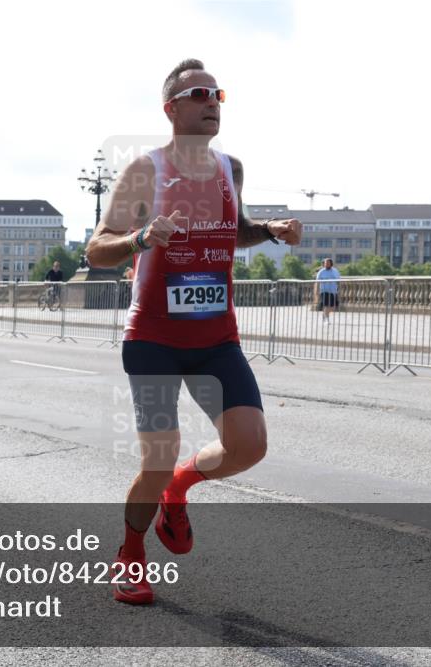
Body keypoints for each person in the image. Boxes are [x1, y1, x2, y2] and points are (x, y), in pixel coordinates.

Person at [85, 58, 302, 604]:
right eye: (198, 93)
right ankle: (130, 554)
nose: (211, 101)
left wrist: (268, 231)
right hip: (153, 338)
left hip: (215, 339)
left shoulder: (232, 168)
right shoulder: (145, 170)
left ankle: (179, 490)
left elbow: (233, 233)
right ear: (171, 108)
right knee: (156, 456)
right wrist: (141, 239)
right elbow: (97, 247)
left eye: (217, 93)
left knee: (248, 447)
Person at [314, 257, 340, 323]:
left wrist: (339, 290)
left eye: (328, 263)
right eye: (325, 263)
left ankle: (324, 314)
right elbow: (317, 282)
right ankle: (327, 319)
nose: (326, 264)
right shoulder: (321, 272)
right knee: (326, 305)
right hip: (324, 290)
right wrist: (316, 291)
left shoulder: (335, 271)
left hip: (333, 291)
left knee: (333, 307)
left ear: (331, 264)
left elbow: (339, 281)